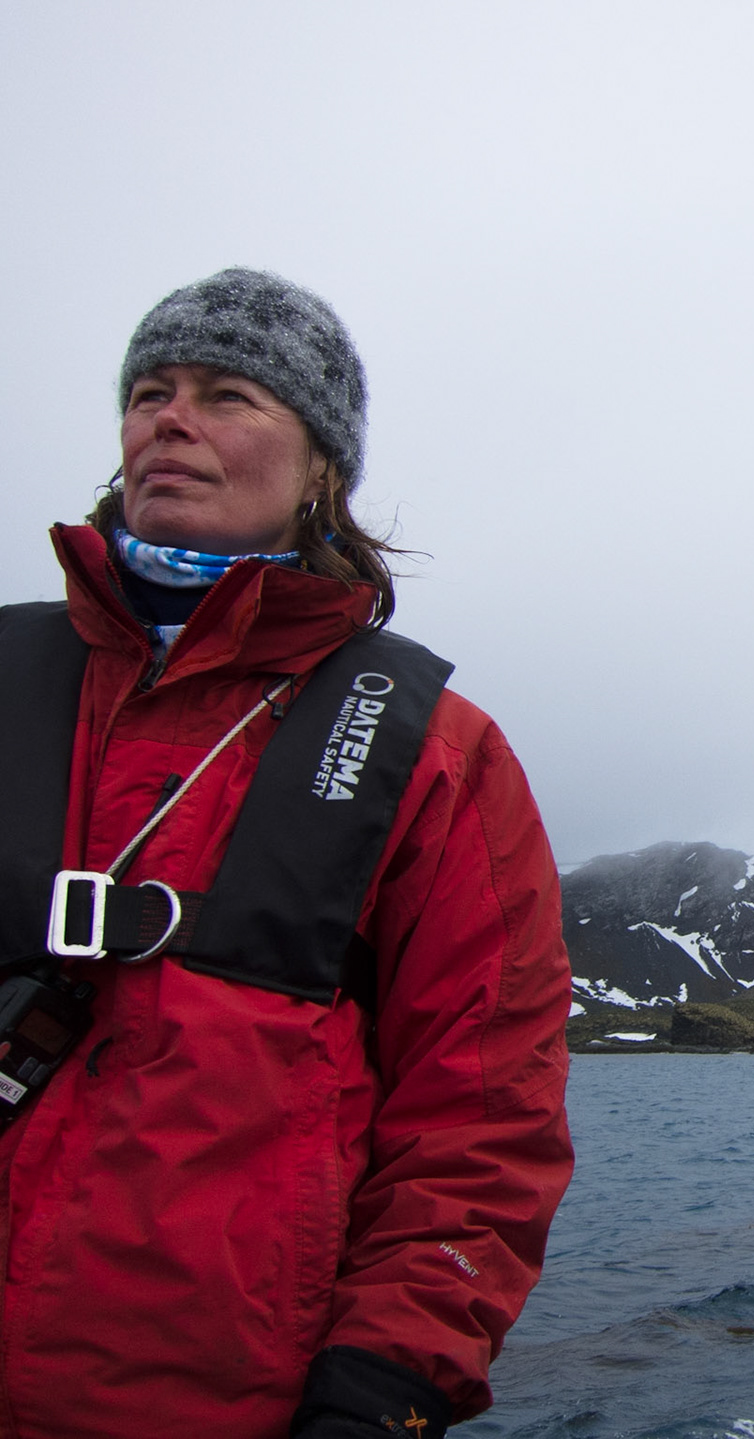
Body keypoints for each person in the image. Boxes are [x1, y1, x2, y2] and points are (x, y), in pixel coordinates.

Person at [0, 269, 573, 1436]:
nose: (171, 417)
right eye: (150, 390)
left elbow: (481, 1119)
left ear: (321, 465)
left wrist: (386, 1386)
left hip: (217, 1404)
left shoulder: (434, 753)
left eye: (227, 394)